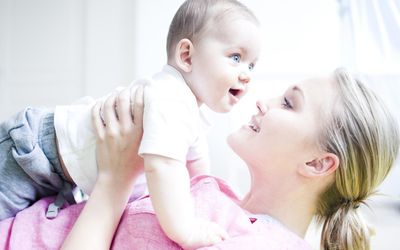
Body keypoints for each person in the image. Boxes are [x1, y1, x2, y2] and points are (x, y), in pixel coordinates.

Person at [0, 0, 261, 248]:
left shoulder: (192, 110)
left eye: (252, 65)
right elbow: (164, 167)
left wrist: (212, 201)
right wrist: (186, 229)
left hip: (62, 172)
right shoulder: (171, 98)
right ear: (187, 56)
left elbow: (198, 171)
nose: (247, 74)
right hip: (32, 151)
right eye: (236, 57)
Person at [58, 68, 399, 249]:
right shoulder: (222, 203)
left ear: (317, 164)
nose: (264, 102)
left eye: (289, 104)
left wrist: (113, 182)